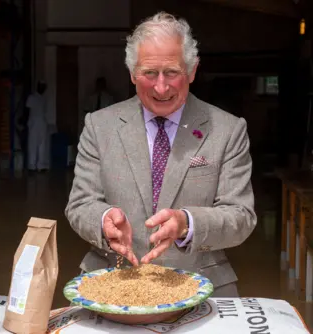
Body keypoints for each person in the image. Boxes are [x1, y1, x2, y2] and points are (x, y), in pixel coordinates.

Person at [65, 12, 256, 297]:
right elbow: (80, 204)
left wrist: (187, 223)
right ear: (132, 73)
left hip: (201, 285)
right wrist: (103, 219)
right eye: (149, 73)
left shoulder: (227, 130)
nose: (161, 87)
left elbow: (241, 217)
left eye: (172, 73)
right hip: (113, 283)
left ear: (192, 71)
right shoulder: (99, 126)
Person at [26, 81, 49, 172]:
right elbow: (27, 110)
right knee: (33, 144)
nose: (43, 89)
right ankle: (32, 166)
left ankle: (41, 165)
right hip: (33, 122)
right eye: (42, 87)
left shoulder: (43, 99)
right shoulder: (32, 97)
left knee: (42, 144)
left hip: (42, 122)